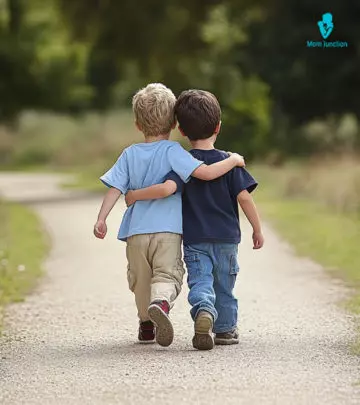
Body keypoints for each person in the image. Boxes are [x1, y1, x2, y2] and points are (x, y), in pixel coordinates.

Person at [93, 83, 245, 347]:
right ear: (174, 124)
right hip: (168, 231)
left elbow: (115, 189)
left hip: (136, 232)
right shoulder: (175, 152)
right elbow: (206, 173)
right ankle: (161, 302)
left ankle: (146, 325)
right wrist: (233, 160)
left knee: (140, 280)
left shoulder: (129, 154)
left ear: (138, 125)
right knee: (166, 276)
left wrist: (101, 219)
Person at [125, 89, 264, 351]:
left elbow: (166, 187)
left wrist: (134, 196)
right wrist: (257, 229)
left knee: (200, 281)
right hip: (226, 240)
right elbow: (245, 199)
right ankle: (224, 330)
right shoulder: (230, 164)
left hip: (195, 240)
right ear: (218, 127)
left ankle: (203, 311)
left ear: (182, 130)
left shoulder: (183, 163)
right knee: (224, 284)